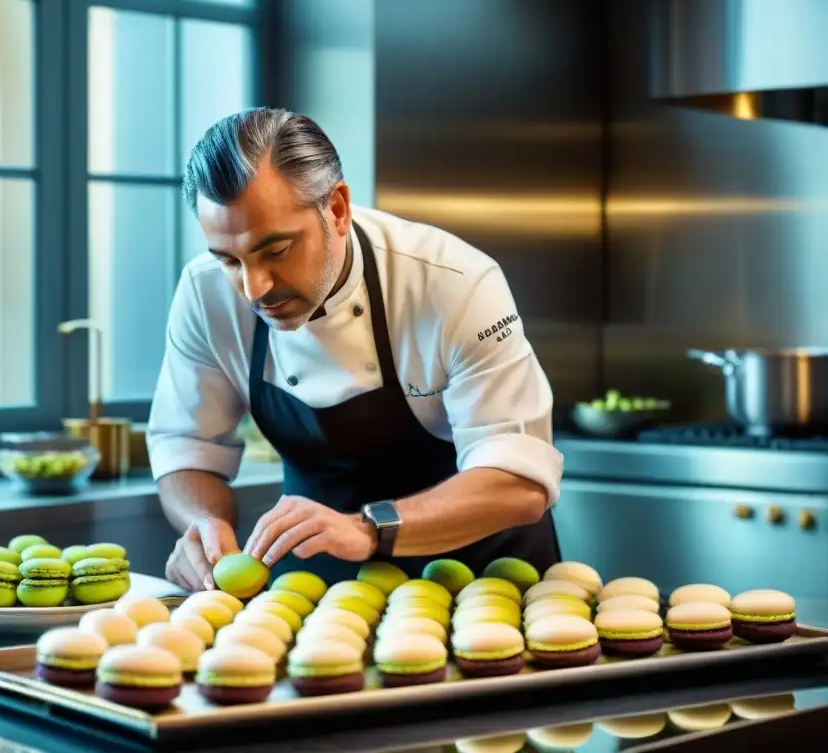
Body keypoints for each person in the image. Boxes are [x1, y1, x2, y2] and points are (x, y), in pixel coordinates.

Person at [148, 107, 563, 592]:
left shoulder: (454, 282)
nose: (254, 288)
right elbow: (187, 449)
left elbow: (519, 482)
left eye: (276, 251)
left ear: (338, 210)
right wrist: (204, 522)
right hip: (320, 581)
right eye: (228, 260)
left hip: (483, 579)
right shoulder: (205, 293)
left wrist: (368, 528)